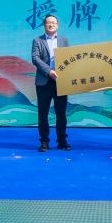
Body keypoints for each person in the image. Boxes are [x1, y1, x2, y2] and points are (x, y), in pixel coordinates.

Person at [30, 14, 69, 152]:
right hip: (44, 82)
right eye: (48, 22)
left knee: (61, 113)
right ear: (44, 25)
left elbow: (69, 59)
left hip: (60, 81)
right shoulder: (37, 40)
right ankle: (44, 142)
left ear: (57, 25)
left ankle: (62, 141)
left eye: (53, 22)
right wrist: (49, 71)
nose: (51, 24)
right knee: (43, 113)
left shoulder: (64, 40)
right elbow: (35, 58)